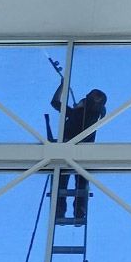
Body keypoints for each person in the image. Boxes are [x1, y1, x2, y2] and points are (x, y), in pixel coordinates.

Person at [50, 79, 107, 220]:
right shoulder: (77, 114)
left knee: (70, 182)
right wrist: (63, 86)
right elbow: (55, 103)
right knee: (74, 183)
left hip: (74, 149)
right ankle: (72, 211)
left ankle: (70, 210)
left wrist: (64, 87)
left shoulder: (93, 113)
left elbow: (98, 105)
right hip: (74, 150)